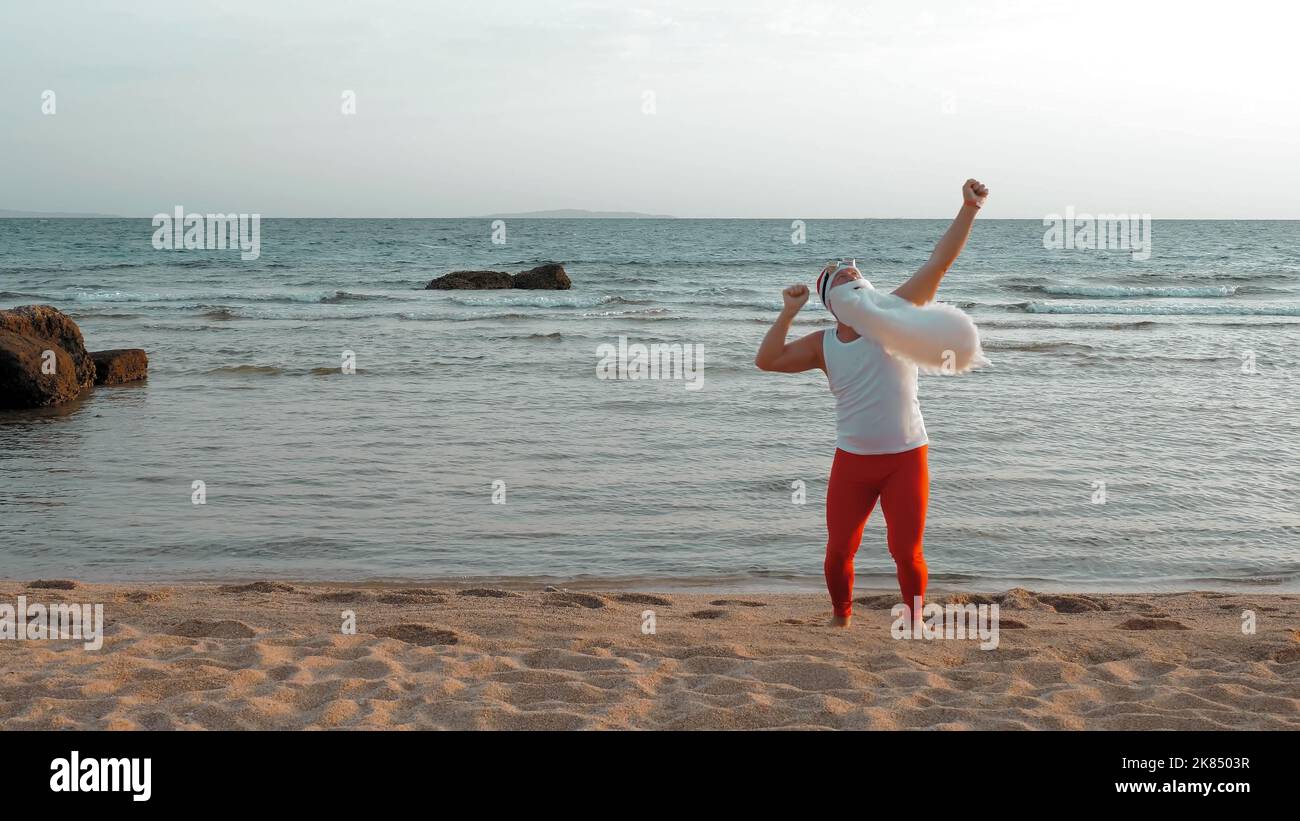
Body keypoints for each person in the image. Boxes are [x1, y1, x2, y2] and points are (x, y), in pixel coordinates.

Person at [754, 178, 989, 627]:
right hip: (853, 462)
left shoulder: (897, 313)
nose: (850, 274)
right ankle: (842, 618)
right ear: (831, 302)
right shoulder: (823, 343)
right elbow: (767, 360)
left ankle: (916, 621)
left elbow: (940, 262)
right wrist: (787, 313)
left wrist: (968, 208)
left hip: (906, 457)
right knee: (840, 547)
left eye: (855, 273)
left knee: (906, 550)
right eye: (839, 276)